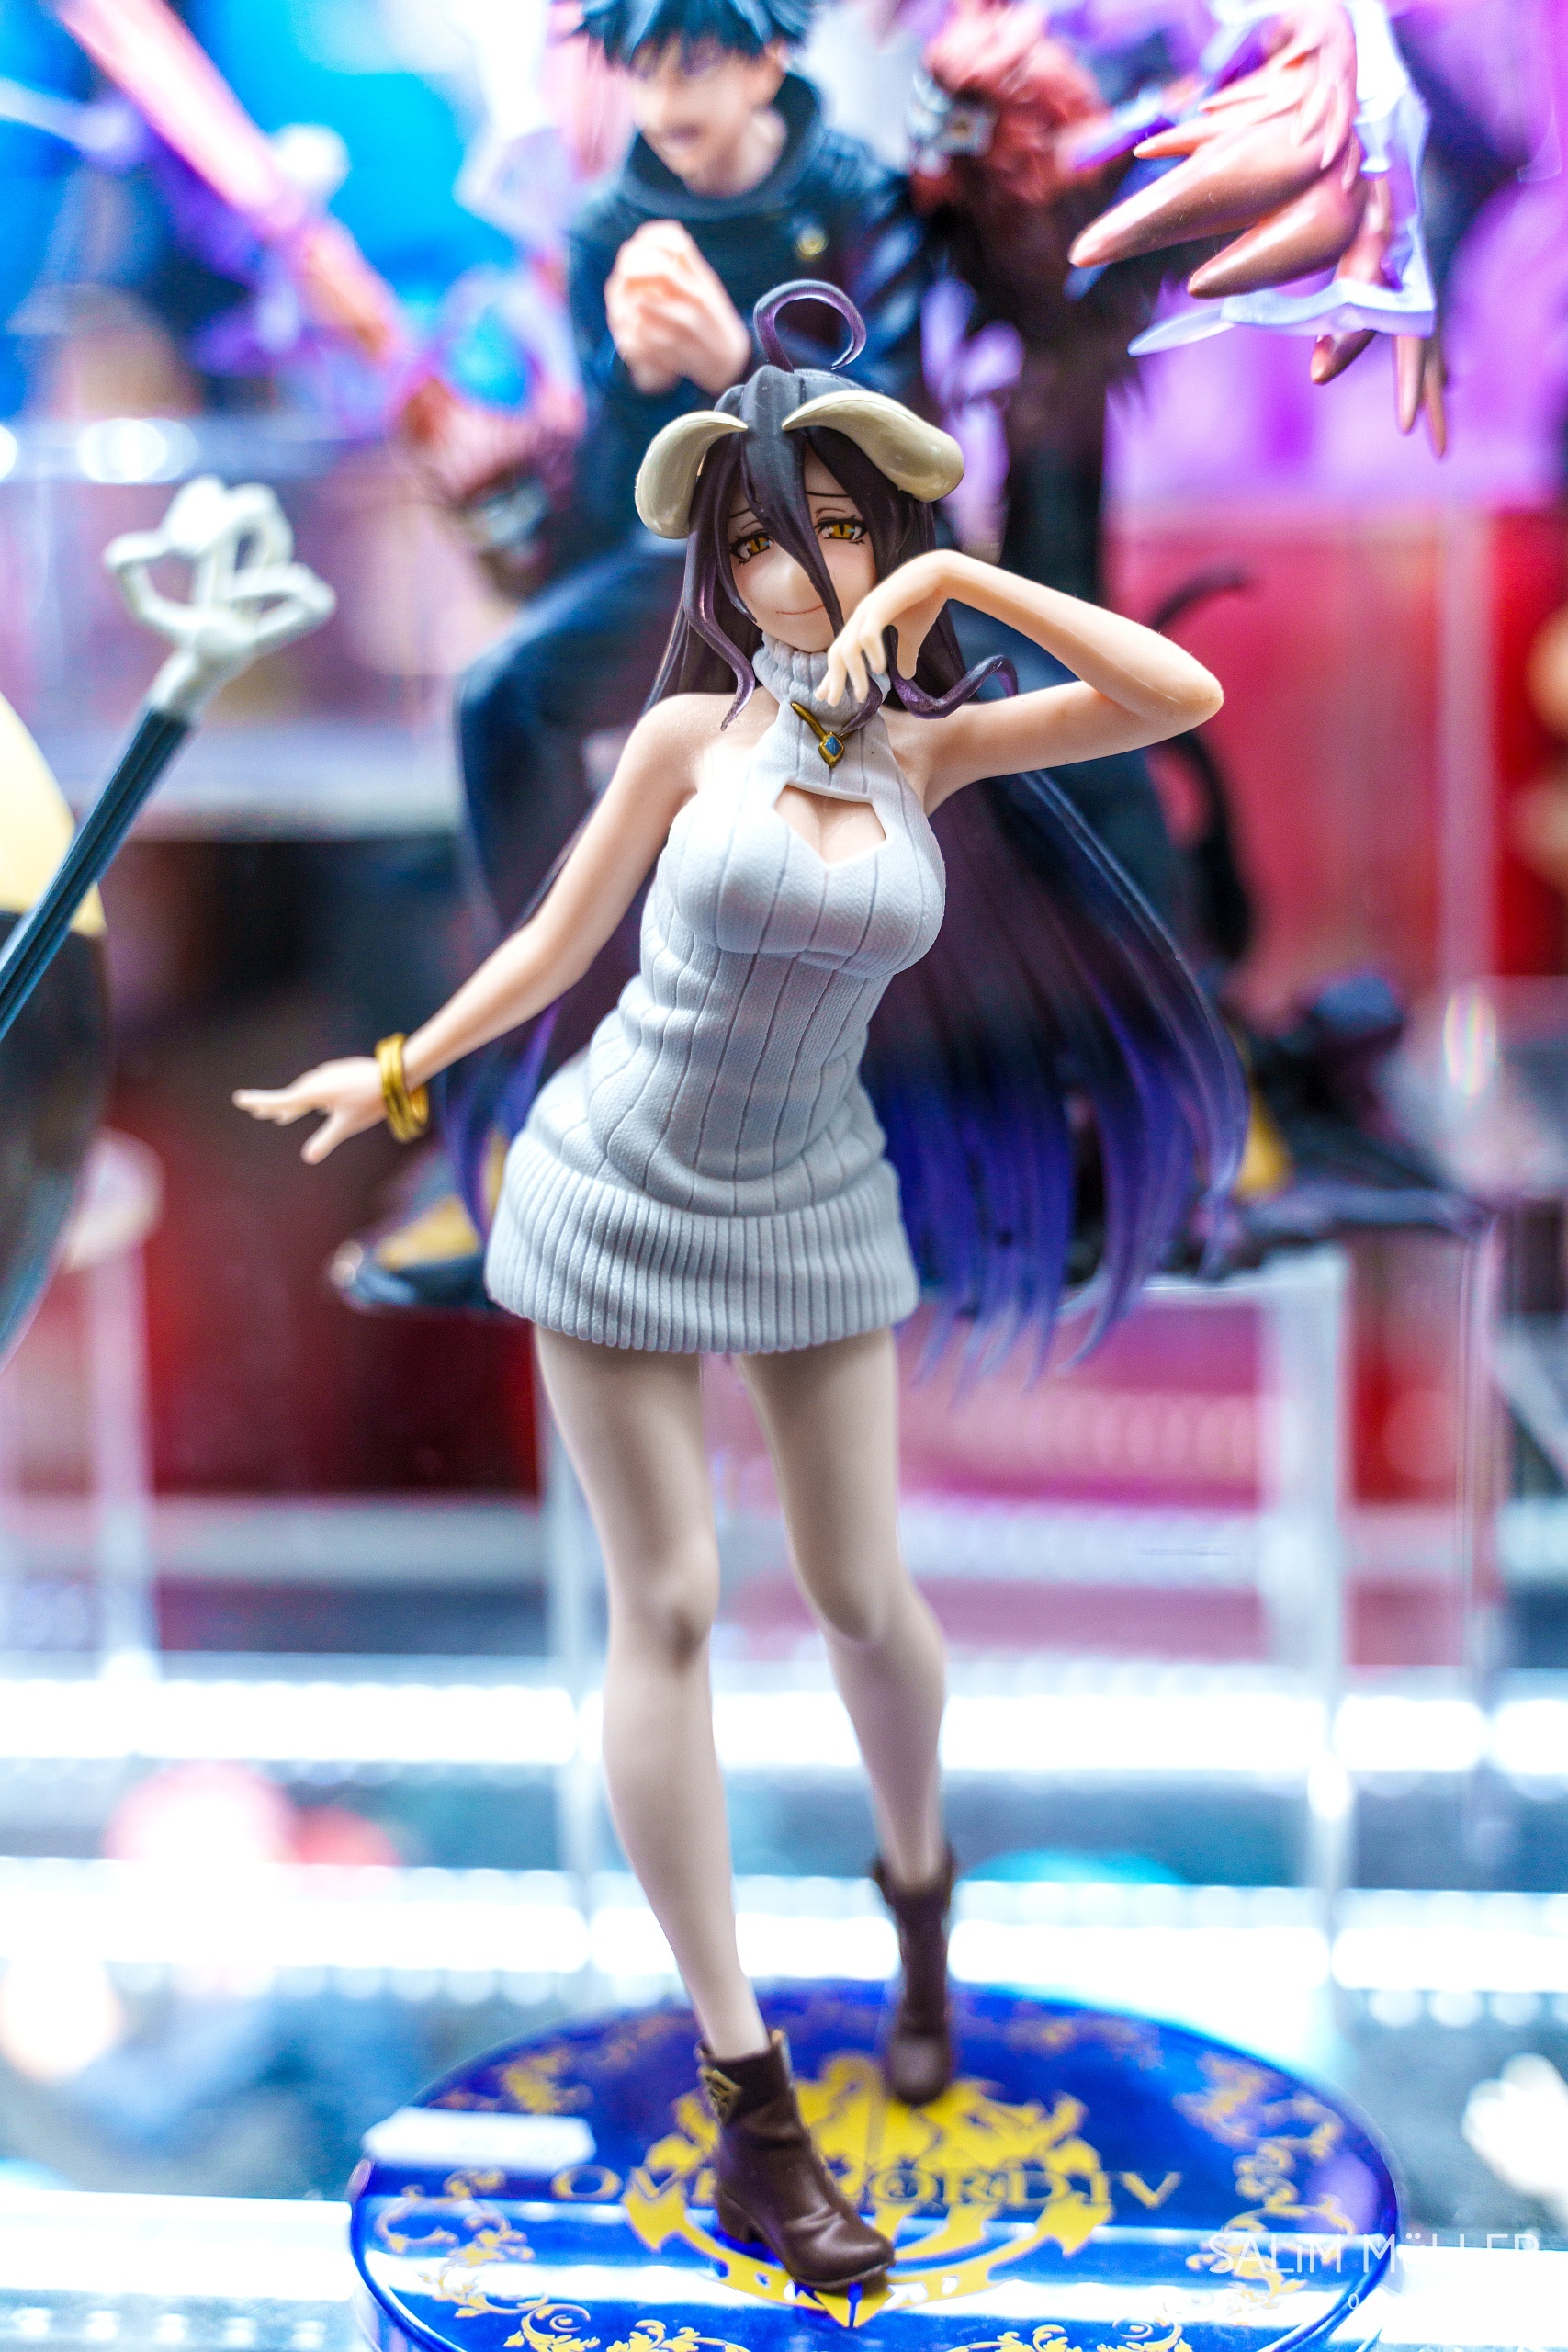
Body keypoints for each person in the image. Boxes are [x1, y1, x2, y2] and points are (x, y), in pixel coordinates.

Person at [236, 283, 1240, 2293]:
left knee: (863, 1593)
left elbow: (1175, 695)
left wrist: (955, 573)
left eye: (839, 531)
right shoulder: (689, 733)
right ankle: (752, 2101)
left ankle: (919, 1899)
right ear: (720, 568)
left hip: (815, 1197)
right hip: (612, 1182)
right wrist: (405, 1067)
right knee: (673, 1603)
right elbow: (558, 936)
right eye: (764, 541)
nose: (801, 571)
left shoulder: (933, 751)